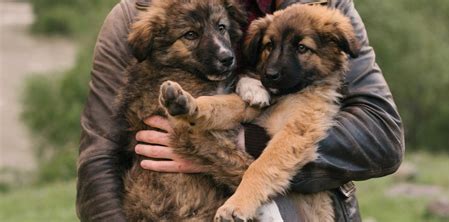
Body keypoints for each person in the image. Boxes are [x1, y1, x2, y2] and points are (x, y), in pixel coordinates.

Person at [76, 0, 404, 221]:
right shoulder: (133, 16)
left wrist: (243, 144)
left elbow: (381, 134)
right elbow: (97, 163)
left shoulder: (322, 7)